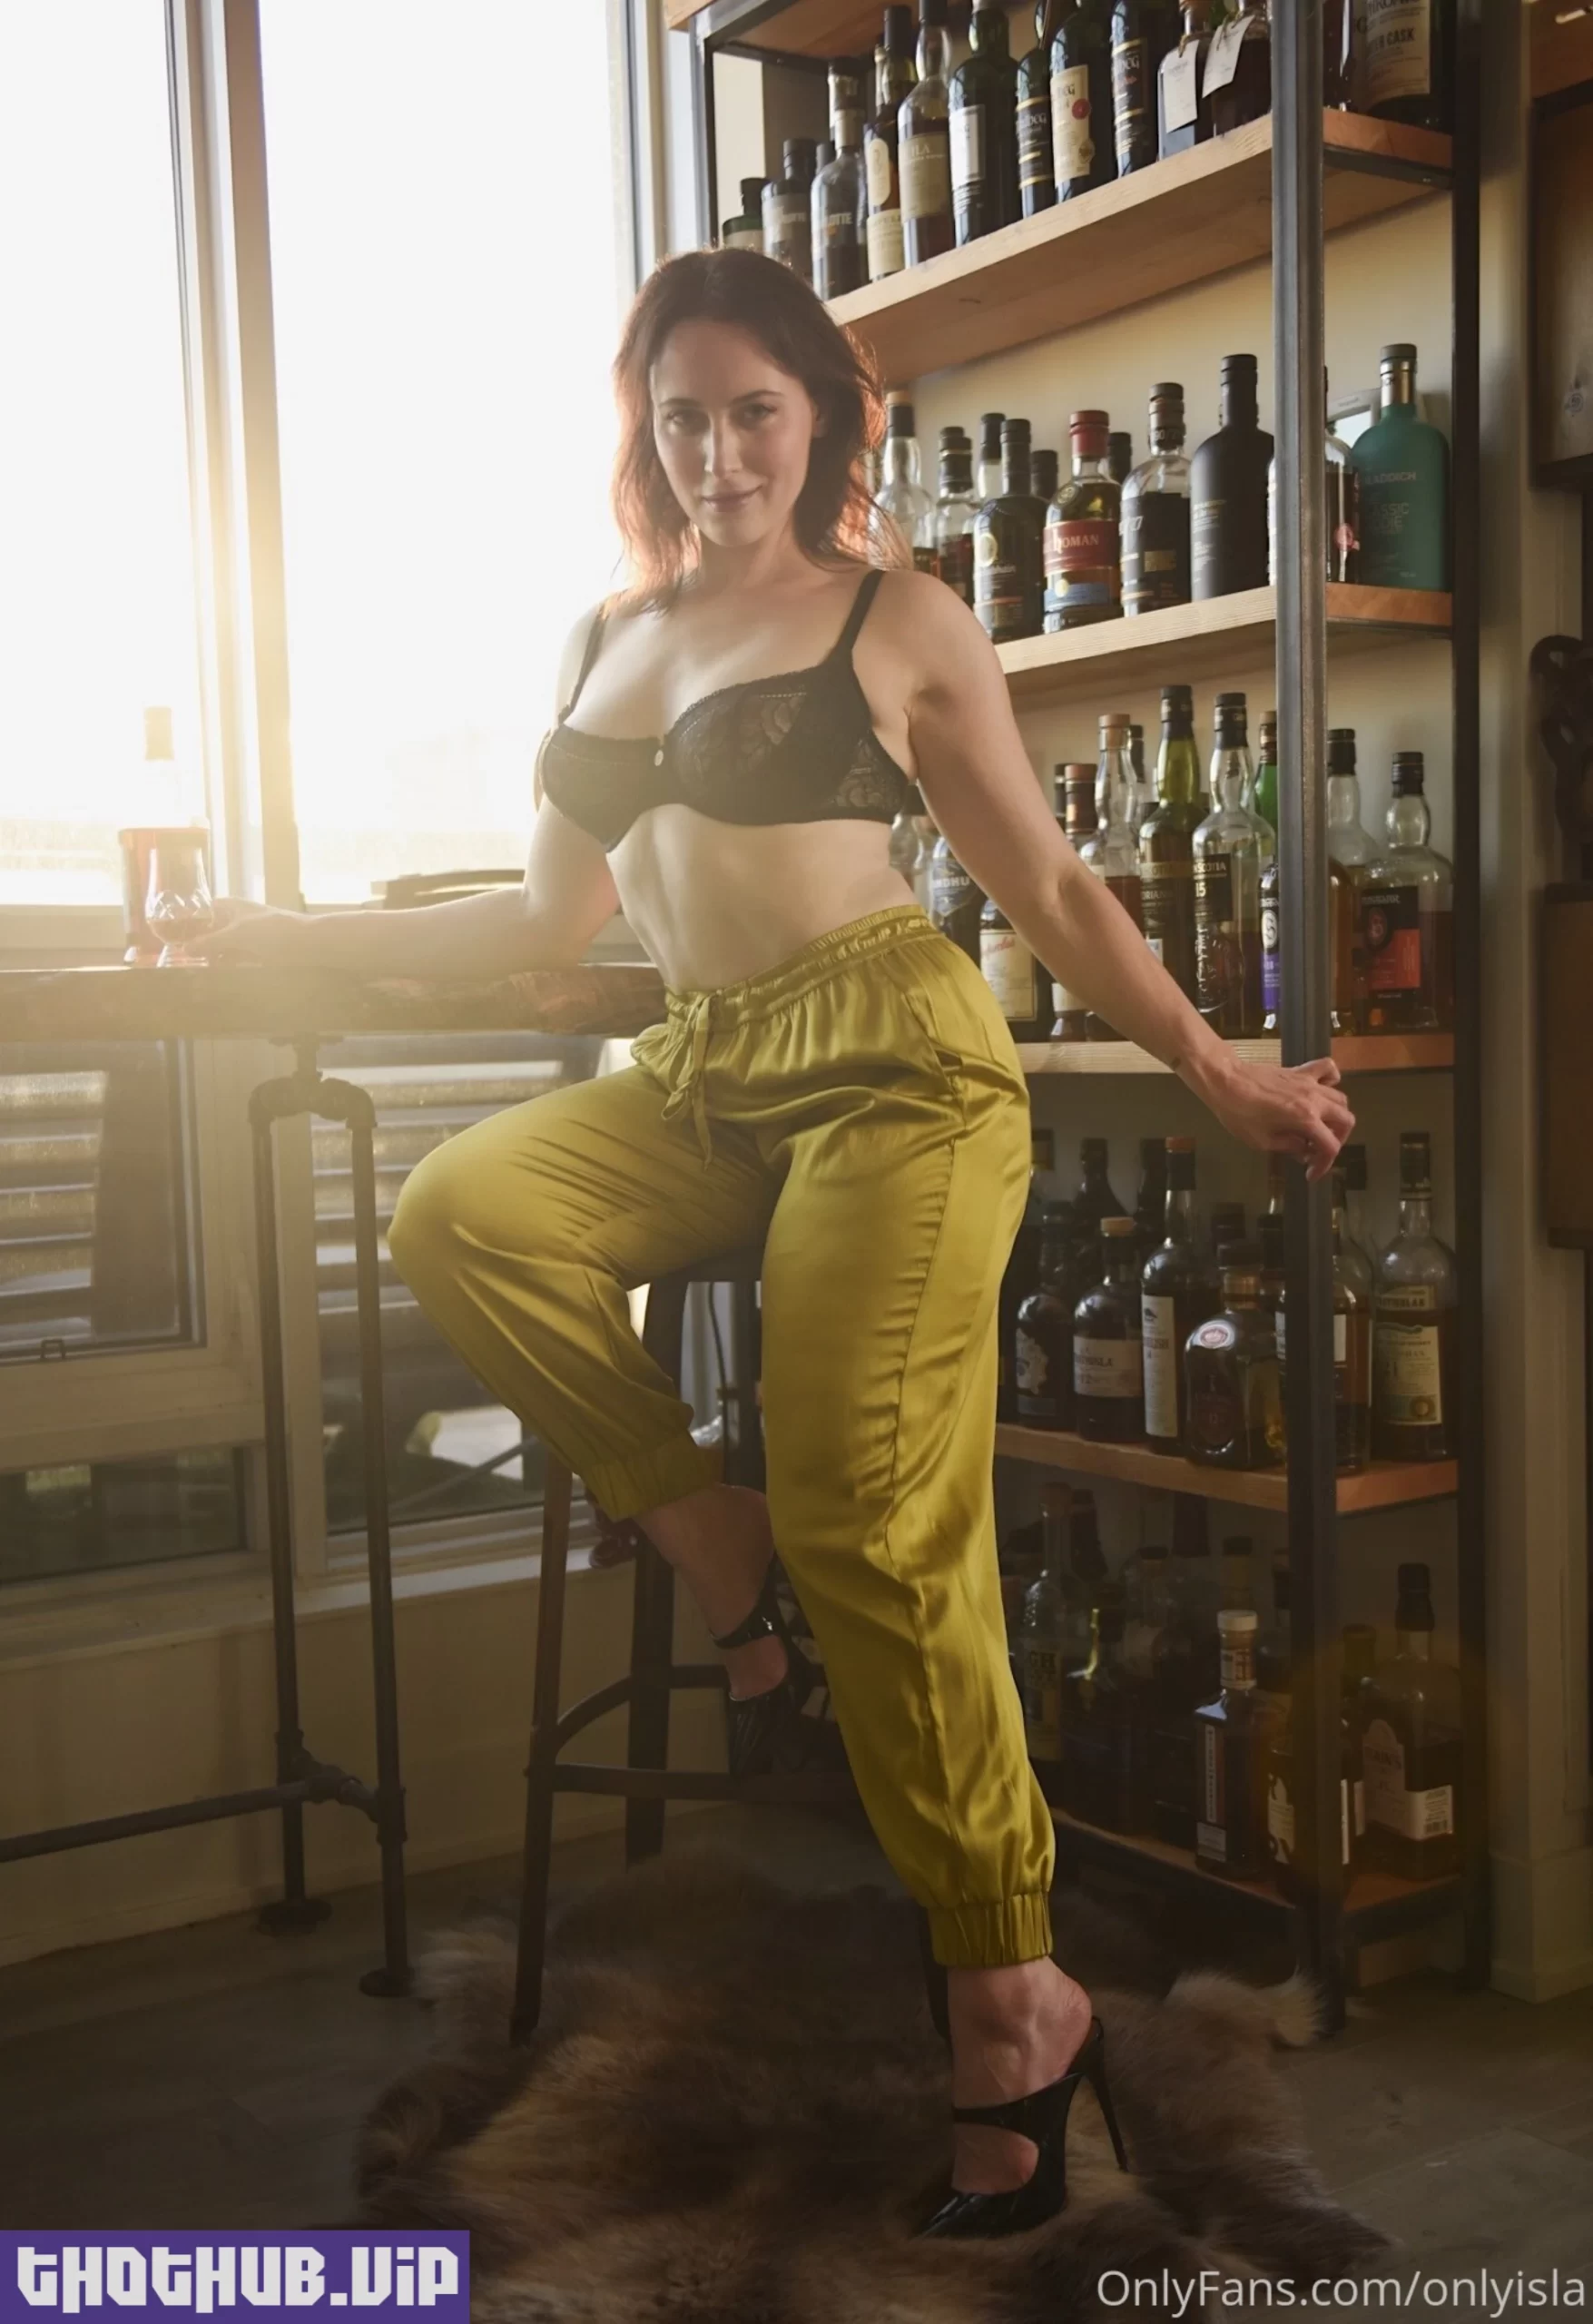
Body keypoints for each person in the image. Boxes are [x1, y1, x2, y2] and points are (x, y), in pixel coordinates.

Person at [188, 248, 1352, 2237]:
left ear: (821, 420)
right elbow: (545, 922)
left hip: (899, 1073)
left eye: (752, 411)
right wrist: (287, 935)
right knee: (463, 1209)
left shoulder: (895, 617)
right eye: (680, 417)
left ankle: (1011, 1989)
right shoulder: (604, 634)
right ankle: (715, 1543)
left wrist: (1211, 1065)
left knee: (871, 1514)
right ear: (640, 433)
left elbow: (1051, 883)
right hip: (703, 1071)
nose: (715, 452)